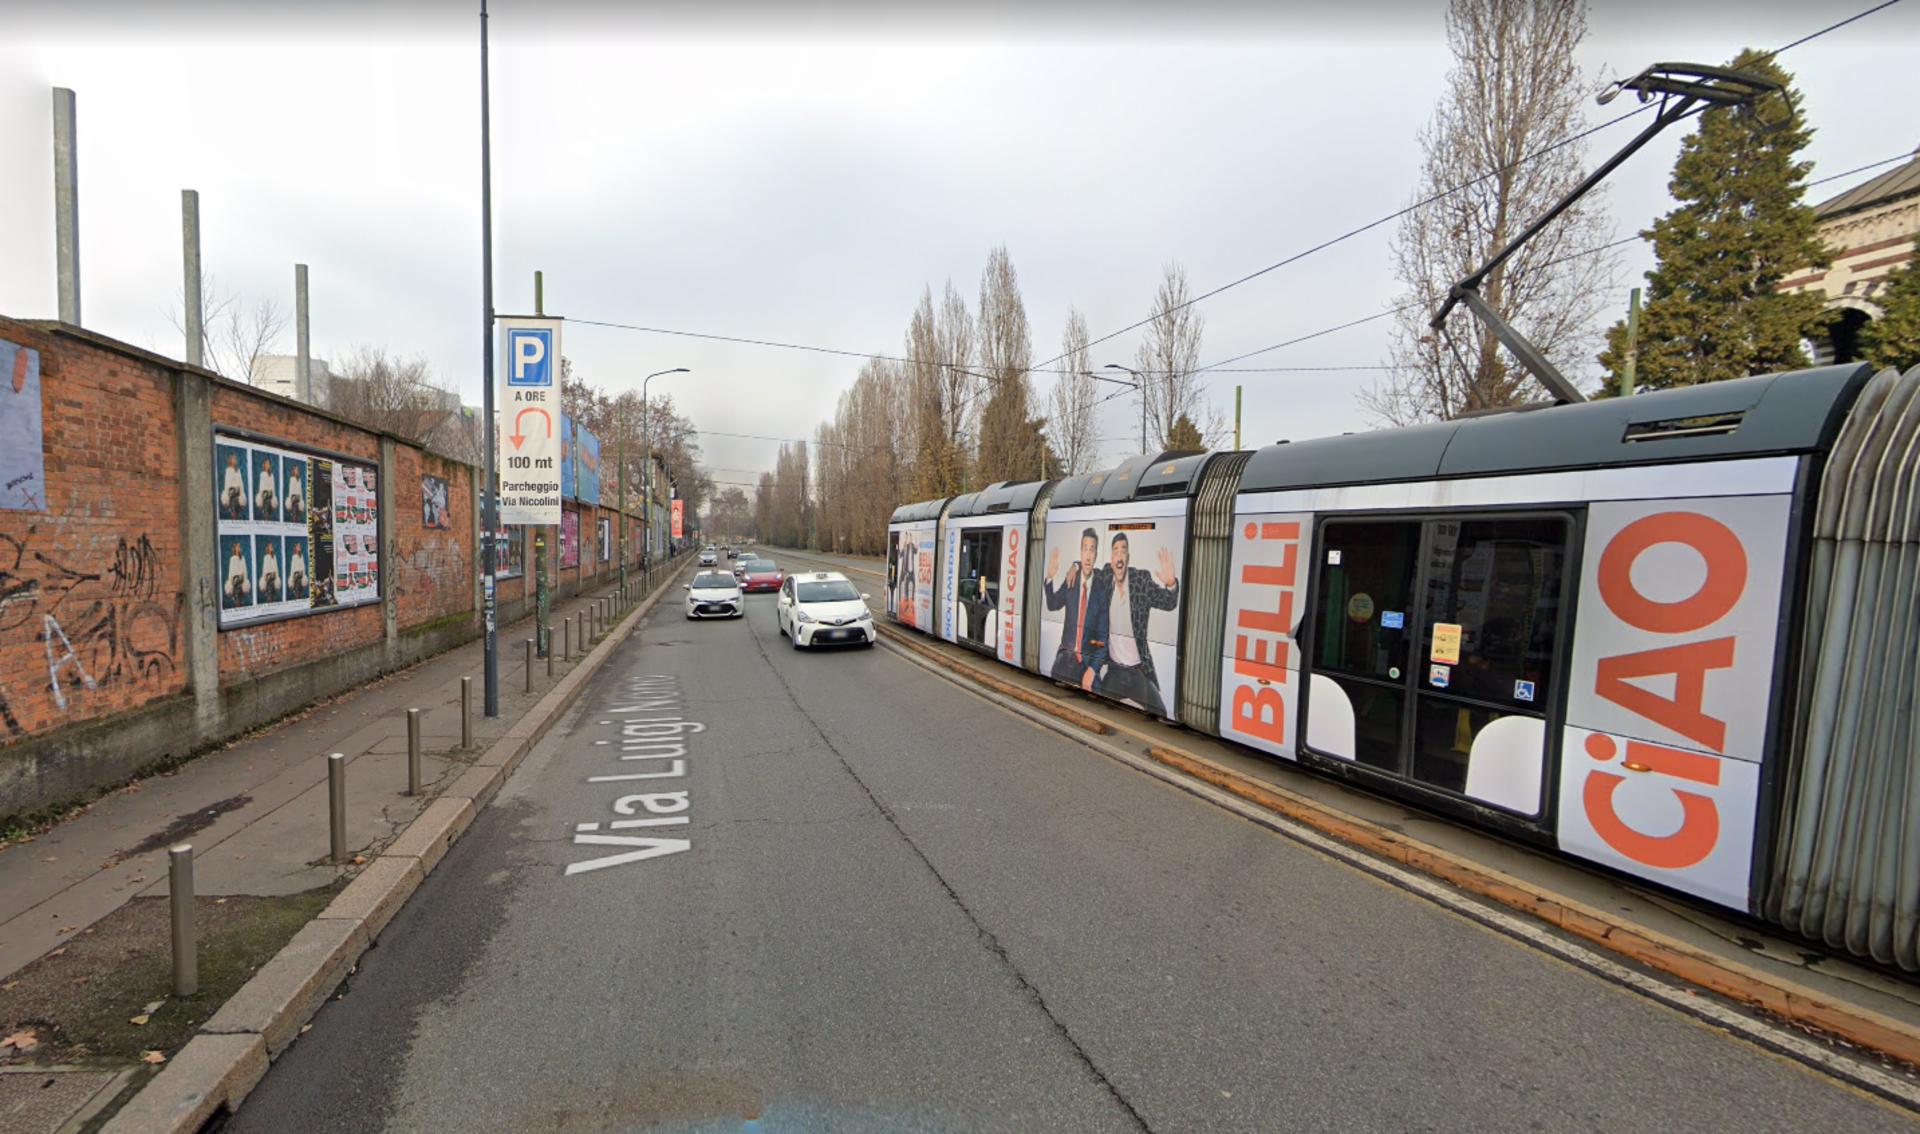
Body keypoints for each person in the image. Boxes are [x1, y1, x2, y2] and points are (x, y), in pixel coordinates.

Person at [1095, 532, 1179, 717]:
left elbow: (1168, 602)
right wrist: (1076, 565)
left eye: (1123, 551)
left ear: (1128, 557)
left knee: (1161, 713)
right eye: (1115, 551)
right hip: (1114, 671)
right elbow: (1086, 572)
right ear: (1111, 558)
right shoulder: (1105, 577)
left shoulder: (1141, 580)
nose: (1119, 555)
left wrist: (1171, 583)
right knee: (1098, 710)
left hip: (1138, 672)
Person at [1044, 527, 1109, 691]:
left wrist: (1093, 669)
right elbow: (1053, 605)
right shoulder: (1071, 582)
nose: (1088, 555)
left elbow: (1103, 637)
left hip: (1086, 662)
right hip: (1065, 658)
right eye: (1085, 549)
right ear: (1081, 552)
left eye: (1092, 549)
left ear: (1096, 554)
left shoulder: (1101, 589)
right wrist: (1050, 577)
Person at [223, 540, 250, 608]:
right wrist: (230, 581)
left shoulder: (242, 558)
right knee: (237, 591)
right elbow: (231, 571)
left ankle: (237, 602)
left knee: (239, 593)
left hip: (242, 578)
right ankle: (237, 603)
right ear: (234, 548)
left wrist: (244, 579)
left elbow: (245, 570)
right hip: (235, 579)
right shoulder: (232, 558)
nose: (239, 548)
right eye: (237, 546)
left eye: (239, 546)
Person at [220, 453, 247, 519]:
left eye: (235, 459)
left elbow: (241, 483)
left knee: (237, 510)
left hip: (238, 493)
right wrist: (229, 494)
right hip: (232, 493)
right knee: (233, 509)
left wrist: (241, 494)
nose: (235, 460)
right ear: (230, 460)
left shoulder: (238, 470)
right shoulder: (228, 470)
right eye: (233, 459)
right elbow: (227, 483)